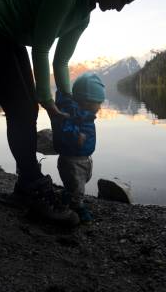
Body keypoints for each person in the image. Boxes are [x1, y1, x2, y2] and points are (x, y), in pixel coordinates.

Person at [0, 0, 143, 225]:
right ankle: (31, 186)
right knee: (23, 111)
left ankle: (26, 185)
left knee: (27, 112)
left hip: (9, 38)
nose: (120, 8)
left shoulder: (83, 16)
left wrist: (66, 100)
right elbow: (42, 47)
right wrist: (47, 100)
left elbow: (62, 62)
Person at [52, 73, 105, 223]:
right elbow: (64, 126)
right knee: (77, 186)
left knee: (83, 180)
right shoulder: (72, 112)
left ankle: (68, 196)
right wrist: (76, 136)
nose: (100, 107)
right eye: (98, 103)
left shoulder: (85, 113)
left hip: (83, 157)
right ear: (86, 101)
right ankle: (77, 208)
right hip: (72, 159)